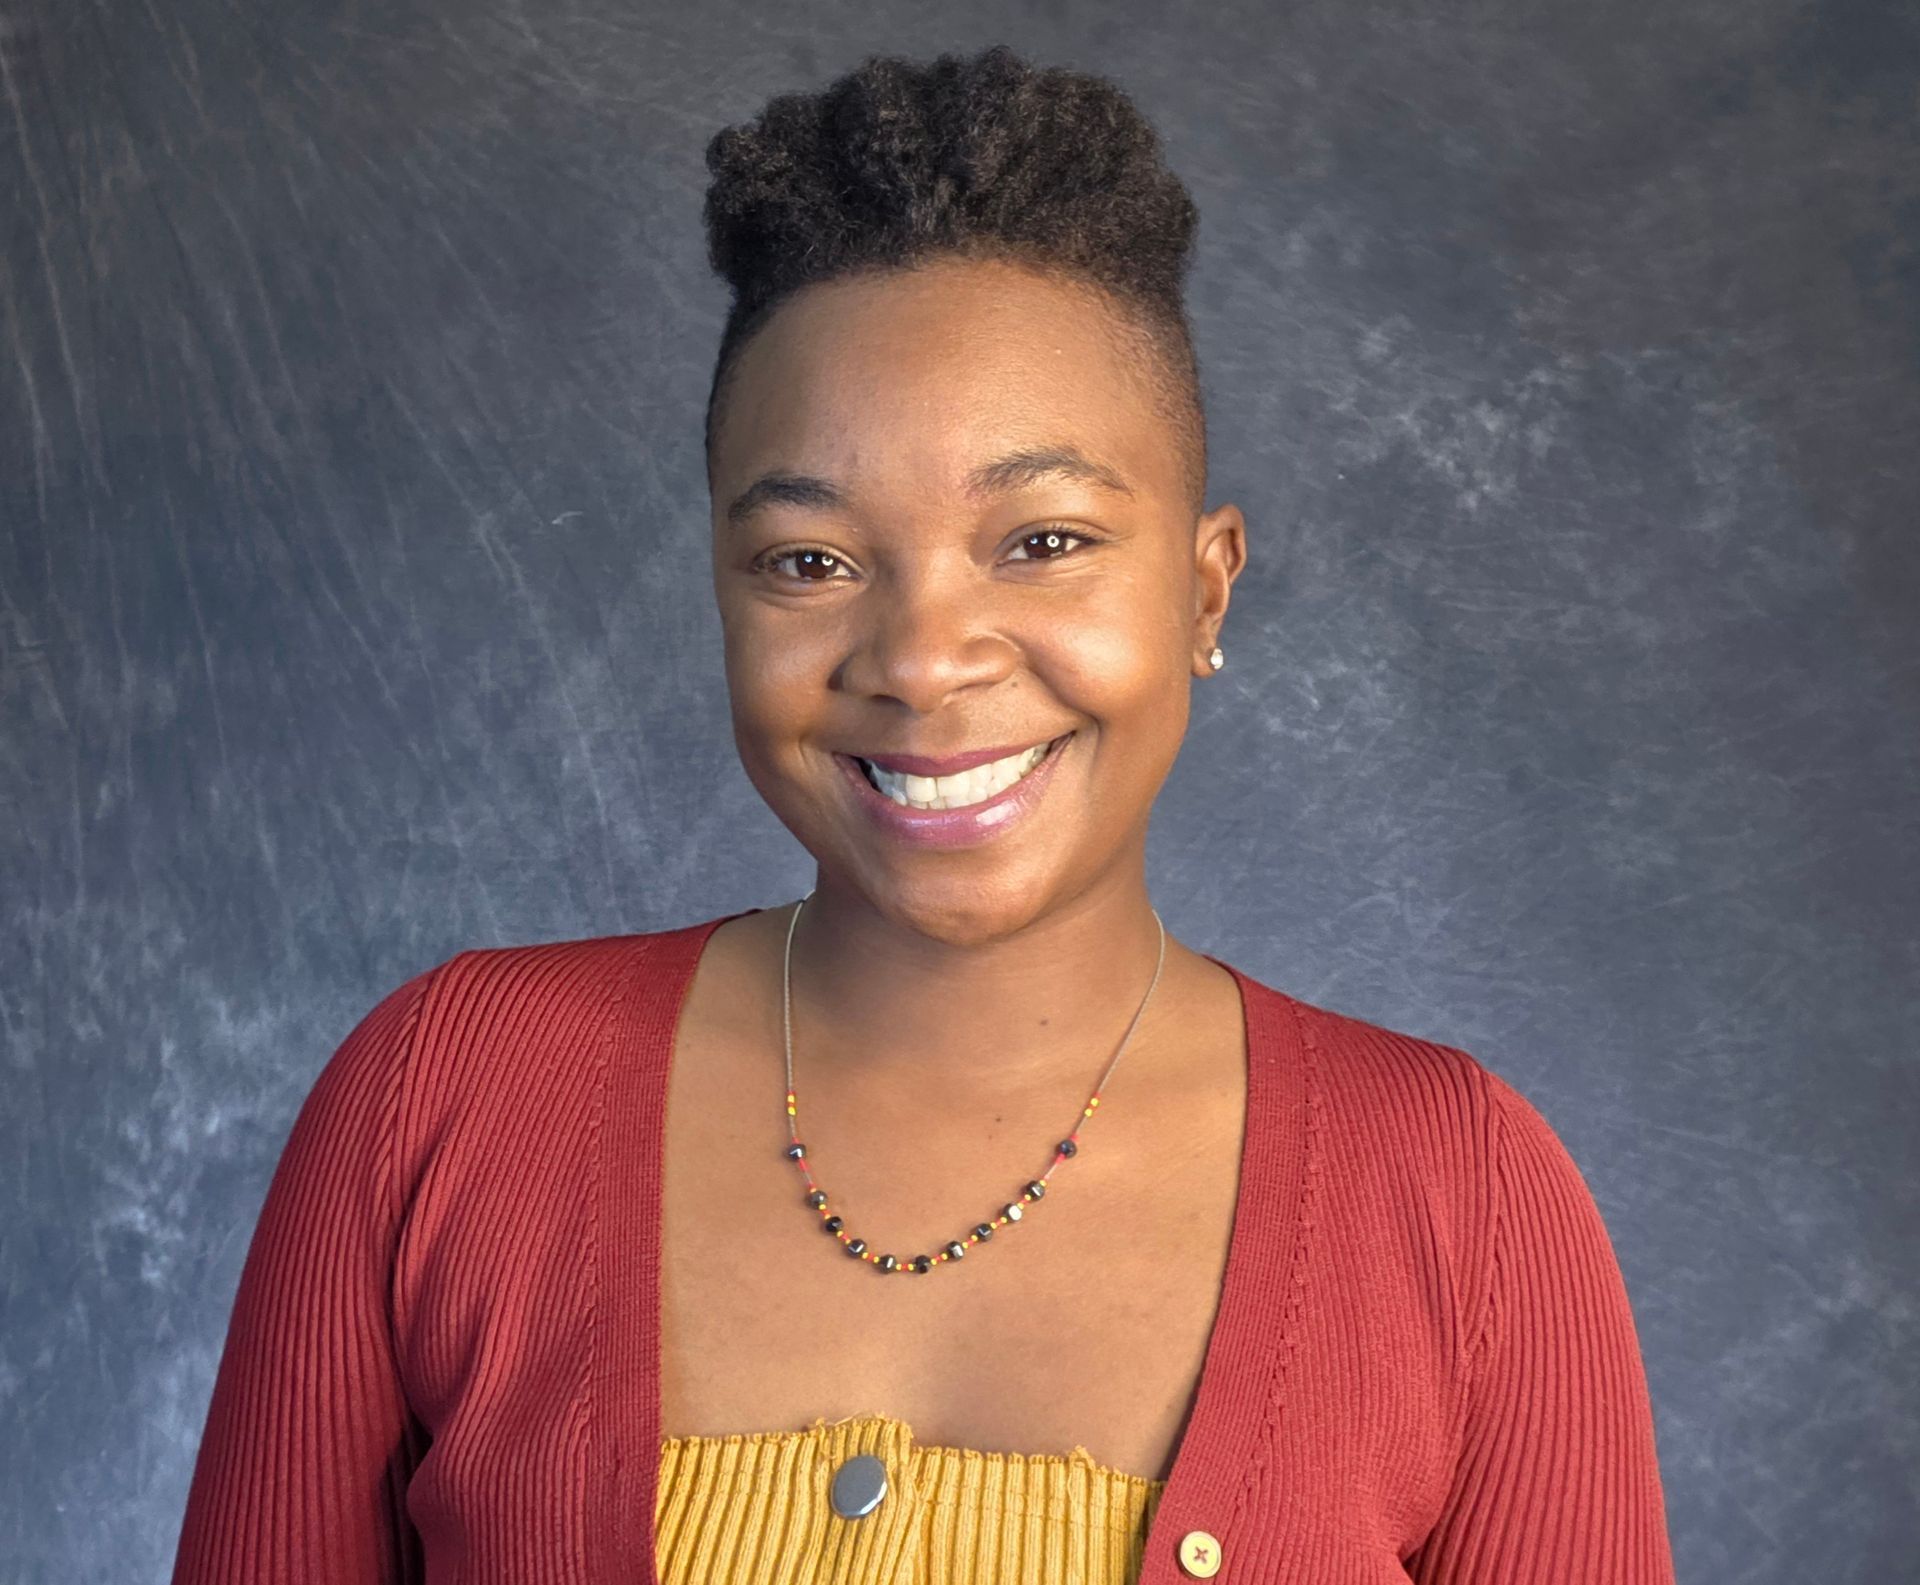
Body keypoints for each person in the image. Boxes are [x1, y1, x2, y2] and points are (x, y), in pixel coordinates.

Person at [172, 43, 1677, 1585]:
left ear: (1205, 585)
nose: (919, 661)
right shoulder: (440, 1104)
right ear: (720, 586)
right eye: (811, 562)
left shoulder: (1462, 1200)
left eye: (1041, 538)